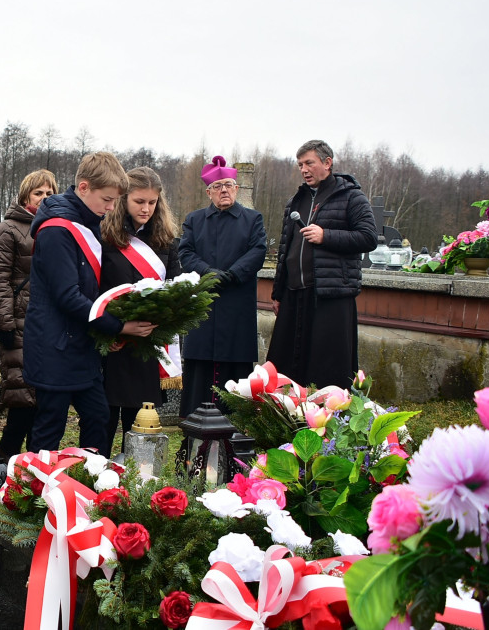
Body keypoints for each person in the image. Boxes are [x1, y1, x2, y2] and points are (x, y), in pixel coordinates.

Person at [23, 152, 156, 455]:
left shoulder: (87, 220)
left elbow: (90, 289)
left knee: (97, 416)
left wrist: (105, 333)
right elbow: (68, 296)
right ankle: (36, 482)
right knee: (50, 426)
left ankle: (93, 478)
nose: (111, 208)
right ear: (84, 188)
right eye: (107, 199)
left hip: (81, 345)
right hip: (55, 347)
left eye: (115, 201)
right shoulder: (57, 229)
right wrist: (118, 326)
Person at [266, 140, 376, 389]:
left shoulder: (351, 196)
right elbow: (285, 249)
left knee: (326, 369)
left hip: (330, 295)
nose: (304, 170)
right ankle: (286, 410)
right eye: (300, 165)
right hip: (294, 295)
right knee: (285, 367)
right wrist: (278, 293)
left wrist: (326, 236)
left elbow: (368, 237)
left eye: (309, 163)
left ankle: (328, 411)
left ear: (327, 163)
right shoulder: (296, 201)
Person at [99, 166, 181, 455]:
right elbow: (95, 289)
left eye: (152, 202)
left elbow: (174, 288)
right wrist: (110, 329)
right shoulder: (104, 236)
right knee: (103, 418)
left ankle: (134, 473)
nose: (146, 208)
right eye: (139, 201)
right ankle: (98, 471)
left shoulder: (165, 240)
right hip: (111, 341)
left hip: (147, 342)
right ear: (123, 199)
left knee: (139, 422)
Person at [178, 156, 267, 416]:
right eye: (217, 186)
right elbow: (186, 252)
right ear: (209, 192)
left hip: (236, 304)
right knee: (200, 367)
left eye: (228, 185)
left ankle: (234, 425)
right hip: (204, 305)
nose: (223, 190)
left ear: (236, 189)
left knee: (235, 367)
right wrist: (209, 273)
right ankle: (194, 424)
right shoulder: (194, 220)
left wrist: (231, 275)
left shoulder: (253, 219)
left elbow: (257, 251)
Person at [0, 169, 57, 459]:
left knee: (43, 402)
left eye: (49, 193)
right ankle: (3, 462)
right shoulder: (9, 229)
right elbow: (0, 280)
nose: (44, 198)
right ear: (25, 196)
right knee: (22, 398)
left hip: (49, 323)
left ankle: (35, 464)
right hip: (19, 323)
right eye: (38, 193)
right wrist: (6, 323)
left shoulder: (58, 225)